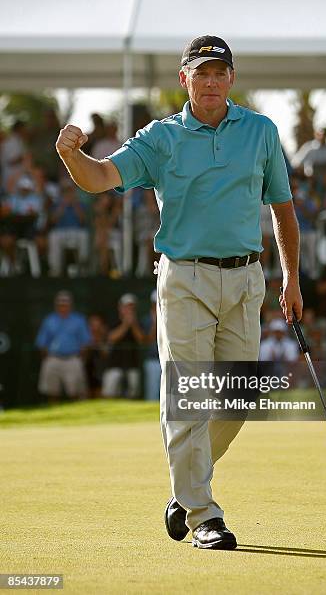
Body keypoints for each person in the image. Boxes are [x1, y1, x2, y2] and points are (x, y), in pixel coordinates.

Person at [55, 34, 303, 551]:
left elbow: (282, 208)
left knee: (238, 400)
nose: (210, 82)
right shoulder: (160, 138)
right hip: (185, 279)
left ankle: (184, 488)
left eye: (219, 73)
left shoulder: (261, 131)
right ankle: (202, 514)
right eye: (201, 73)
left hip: (245, 279)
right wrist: (69, 155)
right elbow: (100, 177)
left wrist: (292, 278)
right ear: (183, 80)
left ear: (231, 79)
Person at [35, 291, 91, 402]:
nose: (63, 306)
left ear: (70, 305)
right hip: (53, 358)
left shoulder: (79, 320)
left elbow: (85, 343)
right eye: (61, 304)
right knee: (52, 392)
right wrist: (47, 359)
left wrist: (81, 359)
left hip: (73, 358)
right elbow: (42, 343)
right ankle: (53, 414)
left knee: (75, 392)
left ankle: (75, 415)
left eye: (65, 304)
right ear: (56, 305)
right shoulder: (49, 320)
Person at [102, 294, 144, 398]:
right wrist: (126, 324)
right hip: (114, 364)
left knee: (133, 395)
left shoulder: (138, 323)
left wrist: (133, 324)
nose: (129, 310)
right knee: (109, 394)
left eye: (131, 307)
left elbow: (141, 340)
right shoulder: (113, 321)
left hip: (132, 365)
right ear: (120, 308)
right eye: (126, 307)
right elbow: (111, 338)